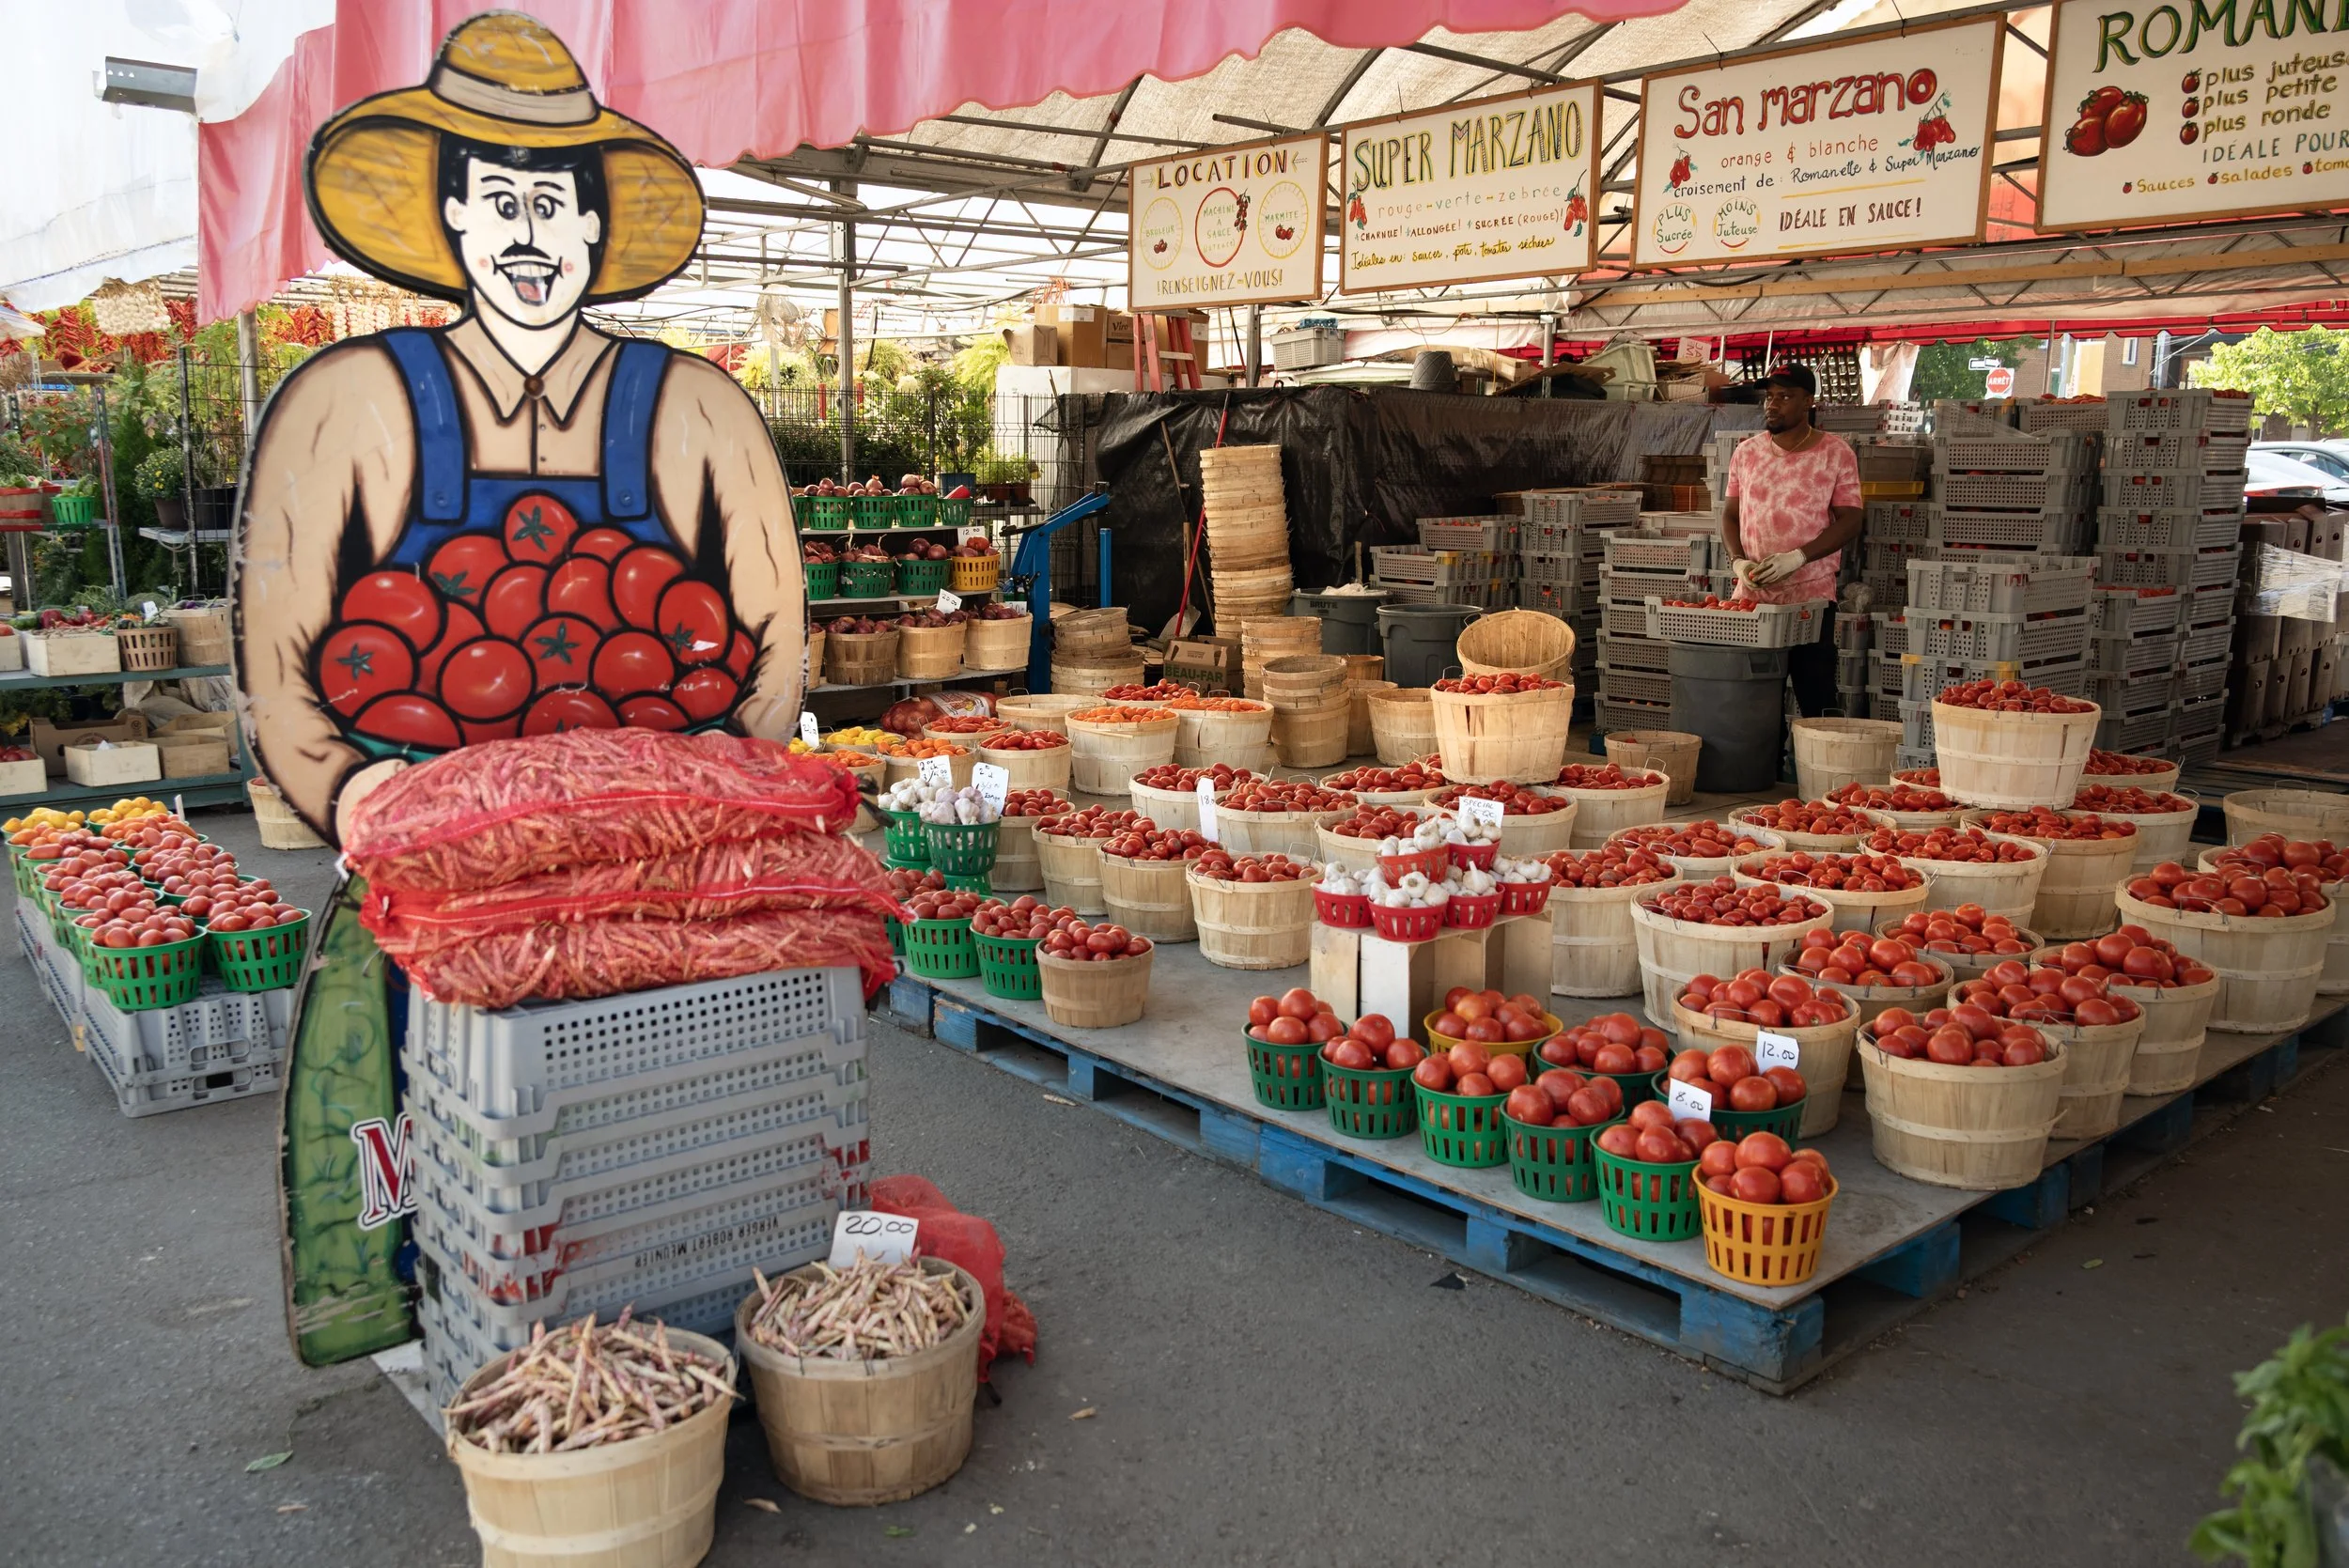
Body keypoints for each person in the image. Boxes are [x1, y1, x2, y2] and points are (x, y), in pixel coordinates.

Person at [234, 11, 802, 842]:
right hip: (426, 874)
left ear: (593, 226)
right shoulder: (348, 403)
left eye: (551, 203)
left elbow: (777, 641)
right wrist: (365, 803)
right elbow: (276, 671)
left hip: (663, 868)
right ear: (454, 213)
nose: (527, 235)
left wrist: (707, 789)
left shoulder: (700, 411)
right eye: (500, 202)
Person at [1719, 365, 1862, 721]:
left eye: (1785, 396)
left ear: (1808, 402)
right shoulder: (1747, 453)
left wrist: (1798, 558)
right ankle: (1760, 770)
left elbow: (1852, 519)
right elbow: (1730, 516)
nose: (1773, 404)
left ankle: (1823, 770)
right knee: (1754, 700)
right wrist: (1738, 562)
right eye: (1770, 397)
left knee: (1816, 692)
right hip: (1753, 596)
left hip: (1809, 598)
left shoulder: (1836, 453)